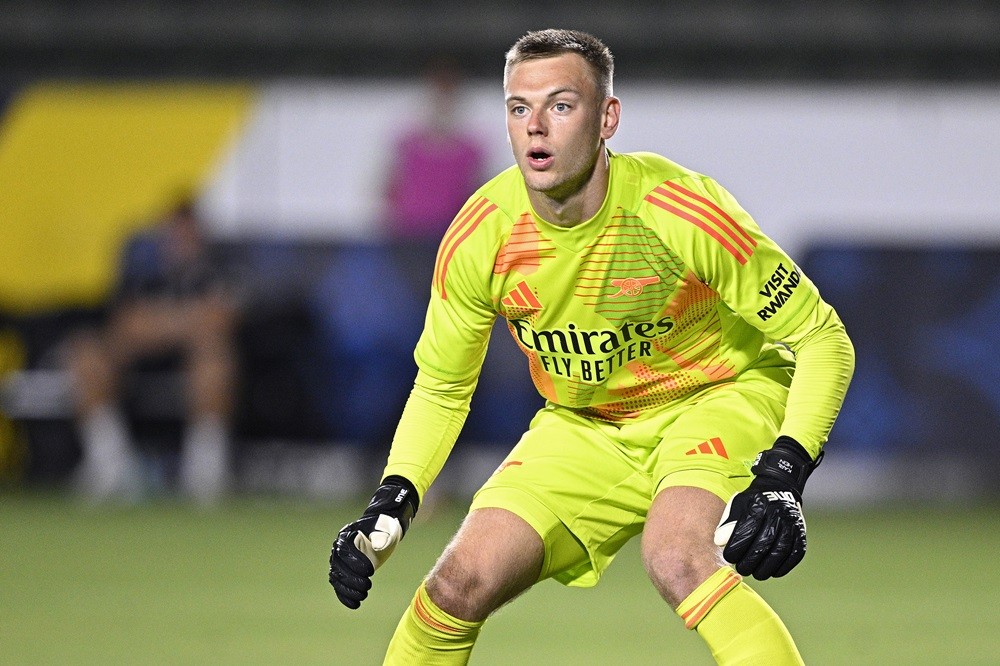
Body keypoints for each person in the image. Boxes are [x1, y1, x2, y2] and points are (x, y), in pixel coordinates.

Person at [329, 29, 854, 665]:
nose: (536, 128)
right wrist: (394, 497)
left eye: (561, 105)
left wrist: (784, 474)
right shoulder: (481, 236)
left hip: (716, 397)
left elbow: (823, 338)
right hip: (585, 425)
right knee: (455, 585)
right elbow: (443, 385)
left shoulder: (678, 209)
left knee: (677, 556)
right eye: (519, 108)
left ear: (607, 118)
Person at [67, 197, 239, 504]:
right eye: (174, 231)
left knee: (214, 356)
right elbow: (127, 322)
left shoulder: (218, 269)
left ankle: (204, 470)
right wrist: (185, 321)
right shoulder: (142, 271)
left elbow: (218, 319)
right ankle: (109, 463)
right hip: (140, 363)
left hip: (189, 363)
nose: (181, 239)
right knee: (86, 353)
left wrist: (160, 324)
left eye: (188, 231)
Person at [383, 58, 488, 241]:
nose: (442, 105)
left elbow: (477, 196)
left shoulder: (470, 152)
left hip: (450, 236)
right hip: (408, 235)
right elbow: (390, 188)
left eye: (448, 98)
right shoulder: (408, 146)